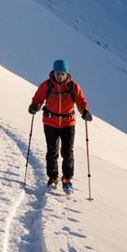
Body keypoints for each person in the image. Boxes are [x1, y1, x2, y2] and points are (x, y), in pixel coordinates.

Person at [28, 59, 92, 192]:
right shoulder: (47, 85)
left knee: (67, 152)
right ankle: (53, 178)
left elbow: (80, 100)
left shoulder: (73, 86)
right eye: (57, 73)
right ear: (53, 72)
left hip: (68, 123)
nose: (59, 76)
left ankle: (67, 179)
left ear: (66, 73)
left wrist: (84, 111)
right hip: (50, 122)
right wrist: (35, 106)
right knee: (52, 151)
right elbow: (38, 98)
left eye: (62, 73)